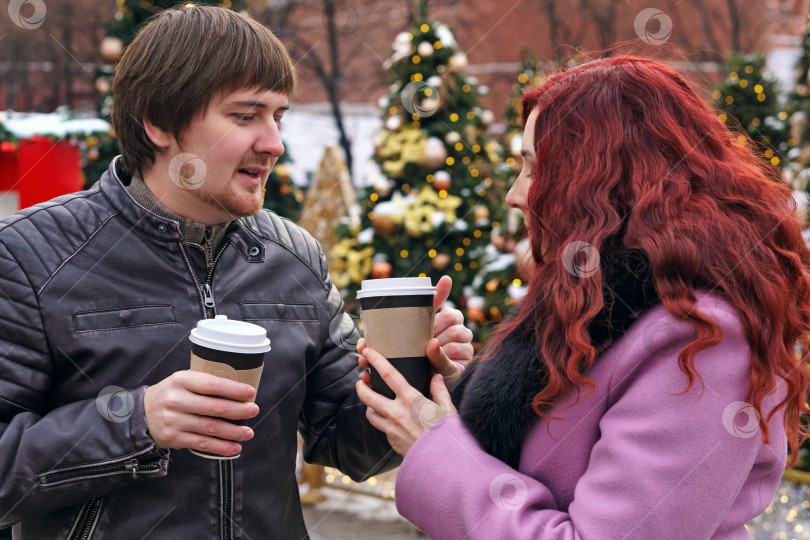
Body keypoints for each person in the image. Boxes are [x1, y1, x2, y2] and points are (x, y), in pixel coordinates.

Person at [0, 6, 472, 538]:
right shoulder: (30, 256)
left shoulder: (294, 256)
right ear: (157, 122)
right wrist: (136, 422)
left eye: (279, 117)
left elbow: (348, 445)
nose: (274, 143)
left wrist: (419, 373)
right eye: (246, 116)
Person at [356, 56, 810, 539]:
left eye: (534, 169)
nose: (514, 194)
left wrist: (436, 444)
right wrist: (453, 392)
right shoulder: (593, 302)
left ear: (596, 183)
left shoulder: (703, 340)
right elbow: (551, 444)